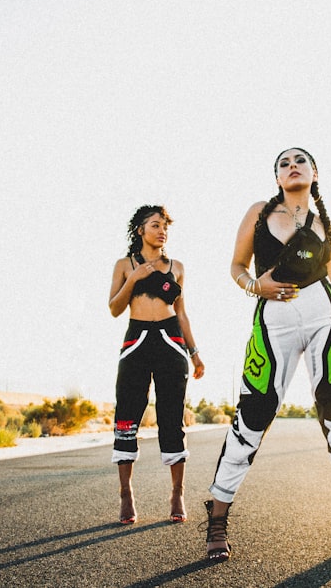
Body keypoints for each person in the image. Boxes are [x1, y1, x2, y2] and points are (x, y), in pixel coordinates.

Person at [204, 148, 331, 562]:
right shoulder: (260, 212)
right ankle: (219, 517)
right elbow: (237, 266)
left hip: (323, 317)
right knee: (254, 411)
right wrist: (254, 287)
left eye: (300, 160)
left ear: (315, 172)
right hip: (273, 320)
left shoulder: (325, 223)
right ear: (277, 178)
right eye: (283, 163)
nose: (291, 165)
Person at [108, 205, 205, 525]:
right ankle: (126, 494)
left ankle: (177, 493)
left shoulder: (176, 267)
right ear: (140, 230)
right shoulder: (125, 265)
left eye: (165, 226)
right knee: (127, 415)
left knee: (171, 416)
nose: (162, 230)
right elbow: (114, 308)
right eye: (155, 225)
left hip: (170, 341)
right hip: (135, 340)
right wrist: (135, 277)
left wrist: (194, 353)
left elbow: (182, 313)